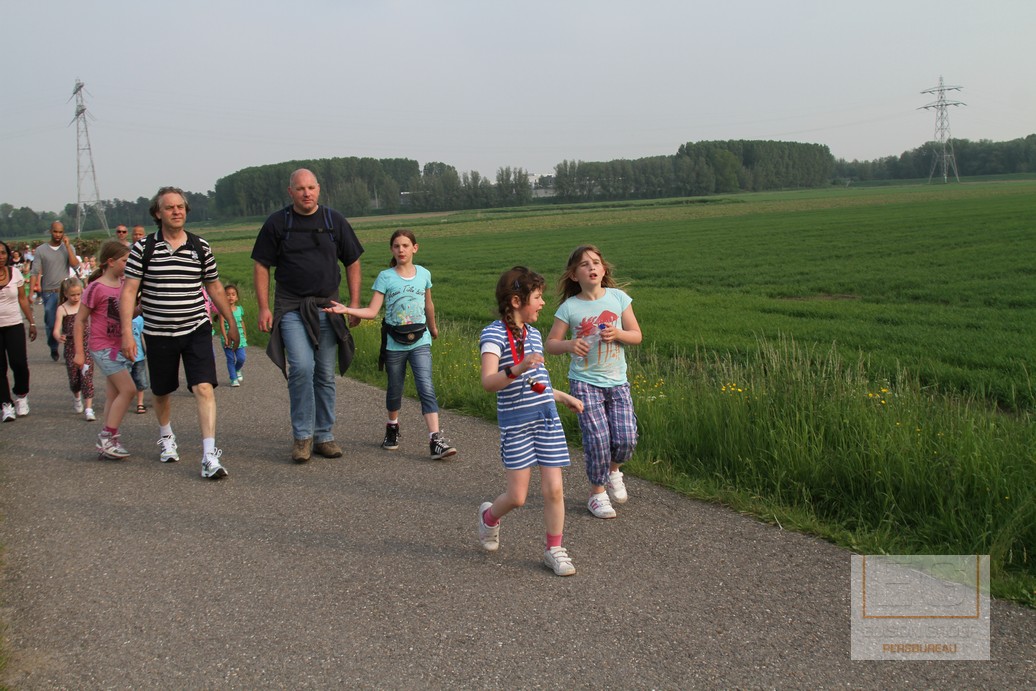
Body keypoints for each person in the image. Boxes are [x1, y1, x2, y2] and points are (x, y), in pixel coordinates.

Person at [120, 186, 239, 480]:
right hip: (158, 332)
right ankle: (166, 436)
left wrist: (230, 321)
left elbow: (214, 286)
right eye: (170, 207)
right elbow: (129, 291)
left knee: (204, 387)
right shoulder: (143, 249)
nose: (176, 211)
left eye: (180, 207)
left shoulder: (200, 247)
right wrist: (126, 333)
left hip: (196, 329)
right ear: (158, 213)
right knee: (162, 391)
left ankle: (209, 456)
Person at [477, 266, 584, 577]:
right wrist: (517, 368)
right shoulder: (493, 335)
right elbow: (488, 382)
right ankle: (489, 518)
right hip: (516, 426)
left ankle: (554, 549)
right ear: (516, 301)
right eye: (537, 297)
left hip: (546, 420)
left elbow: (536, 383)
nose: (542, 303)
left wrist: (561, 396)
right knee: (518, 497)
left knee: (554, 490)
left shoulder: (534, 335)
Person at [251, 168, 363, 464]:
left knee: (324, 374)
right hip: (291, 307)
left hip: (328, 307)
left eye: (311, 187)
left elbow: (353, 261)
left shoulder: (334, 220)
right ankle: (302, 437)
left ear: (319, 189)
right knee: (301, 367)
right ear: (291, 192)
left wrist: (353, 304)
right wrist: (264, 307)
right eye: (300, 188)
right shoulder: (278, 222)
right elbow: (261, 265)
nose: (306, 193)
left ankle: (324, 436)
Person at [325, 229, 457, 460]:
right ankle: (392, 426)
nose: (401, 250)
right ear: (391, 250)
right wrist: (347, 310)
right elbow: (372, 311)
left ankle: (435, 439)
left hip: (421, 339)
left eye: (405, 245)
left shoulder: (424, 274)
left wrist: (433, 327)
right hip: (394, 342)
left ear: (415, 248)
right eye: (397, 246)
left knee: (426, 386)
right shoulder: (385, 277)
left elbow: (428, 304)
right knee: (395, 387)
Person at [546, 245, 643, 519]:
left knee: (626, 439)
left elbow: (637, 335)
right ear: (574, 275)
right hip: (584, 382)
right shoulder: (569, 307)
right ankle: (597, 494)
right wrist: (569, 344)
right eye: (584, 264)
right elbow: (550, 344)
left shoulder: (618, 298)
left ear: (603, 269)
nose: (592, 267)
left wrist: (619, 334)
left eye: (596, 262)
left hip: (617, 382)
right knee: (598, 438)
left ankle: (614, 470)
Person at [74, 241, 136, 458]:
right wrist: (79, 352)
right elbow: (80, 320)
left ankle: (108, 440)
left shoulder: (124, 285)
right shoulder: (96, 288)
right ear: (110, 262)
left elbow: (127, 314)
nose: (129, 265)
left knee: (114, 394)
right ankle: (107, 436)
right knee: (128, 390)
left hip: (118, 346)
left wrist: (143, 306)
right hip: (103, 347)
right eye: (125, 261)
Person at [31, 221, 80, 361]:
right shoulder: (41, 250)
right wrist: (31, 293)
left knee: (69, 323)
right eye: (55, 231)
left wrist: (67, 247)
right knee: (51, 321)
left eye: (60, 232)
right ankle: (53, 346)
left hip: (65, 291)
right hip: (49, 291)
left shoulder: (68, 247)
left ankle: (69, 351)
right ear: (50, 231)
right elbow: (34, 271)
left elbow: (75, 265)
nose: (58, 235)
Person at [0, 240, 37, 422]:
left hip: (14, 324)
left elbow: (22, 299)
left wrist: (32, 322)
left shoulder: (15, 273)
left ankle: (21, 395)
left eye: (3, 253)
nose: (0, 257)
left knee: (19, 363)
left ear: (7, 255)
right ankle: (6, 404)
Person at [54, 276, 96, 421]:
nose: (76, 297)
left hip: (86, 345)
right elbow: (56, 329)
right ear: (66, 294)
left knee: (87, 376)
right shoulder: (62, 309)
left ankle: (89, 408)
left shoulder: (84, 305)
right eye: (72, 295)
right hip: (70, 347)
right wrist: (58, 336)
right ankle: (77, 396)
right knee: (74, 378)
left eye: (78, 294)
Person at [217, 284, 247, 386]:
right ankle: (233, 378)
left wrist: (244, 334)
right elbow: (221, 325)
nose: (230, 297)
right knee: (230, 359)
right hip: (228, 339)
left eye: (233, 294)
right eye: (228, 294)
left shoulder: (239, 309)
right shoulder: (222, 311)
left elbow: (242, 322)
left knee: (241, 358)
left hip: (240, 338)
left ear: (237, 297)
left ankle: (237, 369)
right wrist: (225, 337)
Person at [130, 310, 149, 414]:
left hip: (138, 356)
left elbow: (142, 336)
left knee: (140, 381)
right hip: (123, 357)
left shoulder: (139, 319)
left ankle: (140, 403)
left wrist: (146, 351)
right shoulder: (119, 318)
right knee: (125, 382)